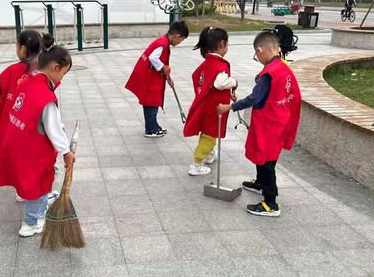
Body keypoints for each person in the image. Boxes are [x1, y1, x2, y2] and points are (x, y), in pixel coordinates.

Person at [0, 35, 75, 237]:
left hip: (18, 145)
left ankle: (39, 199)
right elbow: (53, 128)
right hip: (34, 151)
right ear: (55, 67)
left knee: (30, 182)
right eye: (63, 74)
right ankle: (31, 223)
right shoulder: (46, 97)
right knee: (39, 183)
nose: (61, 79)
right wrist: (66, 152)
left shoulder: (27, 82)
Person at [217, 31, 301, 217]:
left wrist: (229, 107)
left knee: (267, 163)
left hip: (270, 125)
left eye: (256, 55)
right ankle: (260, 184)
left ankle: (270, 203)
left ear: (260, 50)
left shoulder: (269, 74)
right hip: (279, 122)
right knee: (264, 156)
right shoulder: (283, 67)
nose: (258, 58)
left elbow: (254, 98)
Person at [183, 28, 238, 176]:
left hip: (207, 105)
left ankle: (209, 153)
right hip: (215, 108)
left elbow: (197, 78)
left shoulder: (208, 62)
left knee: (209, 131)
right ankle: (196, 163)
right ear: (222, 43)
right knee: (209, 134)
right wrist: (233, 82)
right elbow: (220, 83)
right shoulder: (219, 64)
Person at [125, 21, 189, 138]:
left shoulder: (163, 41)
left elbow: (158, 61)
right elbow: (153, 57)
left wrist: (167, 76)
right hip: (148, 77)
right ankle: (150, 130)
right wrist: (164, 67)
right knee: (151, 102)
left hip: (150, 76)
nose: (179, 43)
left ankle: (153, 125)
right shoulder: (163, 44)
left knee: (152, 102)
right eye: (181, 40)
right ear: (177, 36)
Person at [0, 29, 43, 163]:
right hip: (35, 117)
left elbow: (3, 84)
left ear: (23, 48)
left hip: (14, 117)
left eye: (17, 45)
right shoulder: (42, 69)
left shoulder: (11, 71)